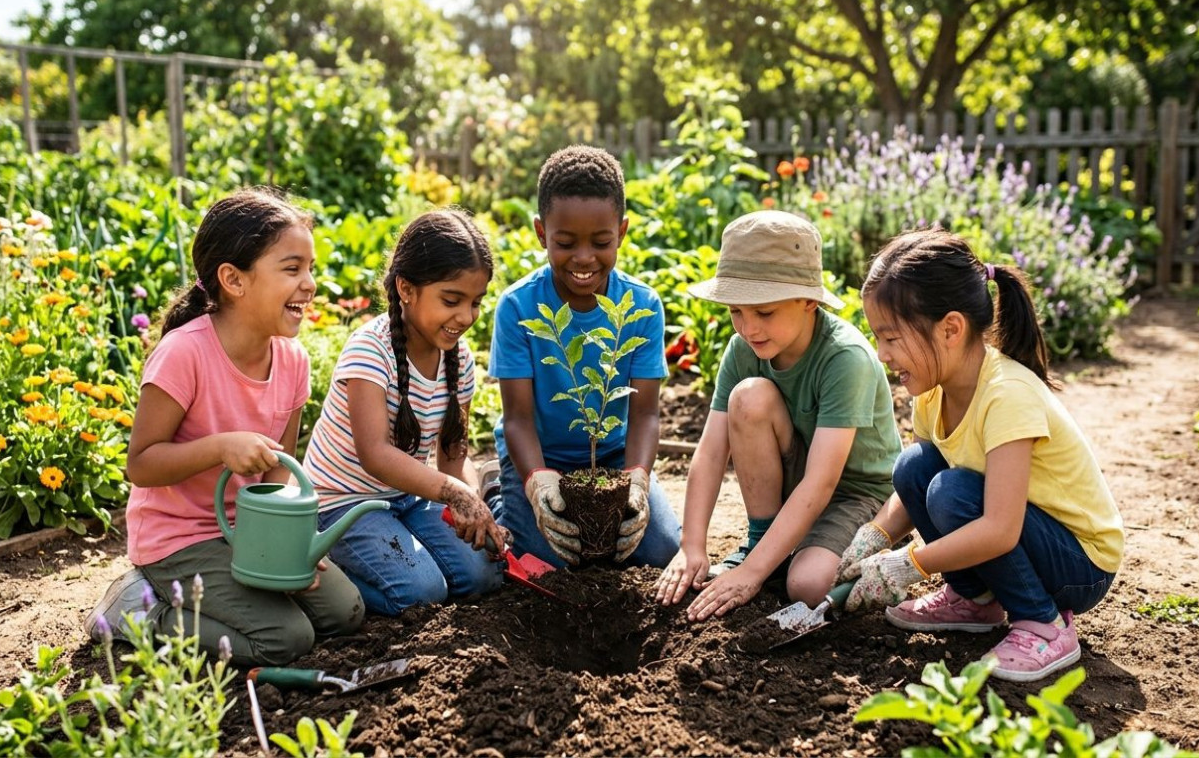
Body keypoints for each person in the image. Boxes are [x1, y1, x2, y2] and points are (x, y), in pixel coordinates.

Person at [83, 187, 365, 667]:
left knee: (345, 612)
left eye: (310, 268)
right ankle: (138, 611)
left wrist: (290, 550)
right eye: (292, 269)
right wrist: (219, 448)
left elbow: (279, 472)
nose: (310, 283)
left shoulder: (293, 361)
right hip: (179, 538)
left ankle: (221, 600)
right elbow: (141, 464)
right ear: (233, 280)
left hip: (248, 530)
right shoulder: (184, 354)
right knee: (285, 640)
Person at [843, 227, 1123, 683]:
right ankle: (973, 600)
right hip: (1024, 538)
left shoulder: (1006, 394)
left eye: (891, 338)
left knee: (952, 492)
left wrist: (906, 565)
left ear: (951, 328)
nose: (881, 354)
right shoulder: (933, 392)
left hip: (1080, 562)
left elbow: (999, 528)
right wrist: (873, 537)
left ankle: (1045, 625)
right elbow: (917, 487)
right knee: (914, 469)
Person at [655, 210, 900, 622]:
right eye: (736, 312)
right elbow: (712, 452)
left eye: (764, 312)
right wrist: (692, 545)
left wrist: (751, 575)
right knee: (748, 397)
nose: (749, 328)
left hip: (855, 493)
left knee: (806, 586)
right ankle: (764, 542)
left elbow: (823, 482)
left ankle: (829, 557)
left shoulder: (845, 357)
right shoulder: (743, 349)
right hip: (799, 483)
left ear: (808, 301)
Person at [304, 209, 506, 616]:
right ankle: (329, 577)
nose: (465, 317)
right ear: (406, 289)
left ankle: (405, 562)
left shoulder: (458, 360)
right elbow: (375, 455)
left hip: (408, 499)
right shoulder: (369, 350)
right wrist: (456, 494)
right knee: (422, 592)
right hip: (341, 505)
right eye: (452, 300)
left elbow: (453, 459)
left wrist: (474, 512)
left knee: (484, 575)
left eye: (476, 303)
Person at [488, 144, 680, 567]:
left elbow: (645, 414)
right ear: (541, 233)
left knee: (659, 548)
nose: (583, 258)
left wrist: (637, 480)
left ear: (622, 232)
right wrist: (537, 481)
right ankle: (501, 490)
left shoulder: (641, 306)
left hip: (612, 458)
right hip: (540, 455)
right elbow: (517, 418)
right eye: (565, 242)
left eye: (601, 241)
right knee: (548, 559)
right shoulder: (519, 308)